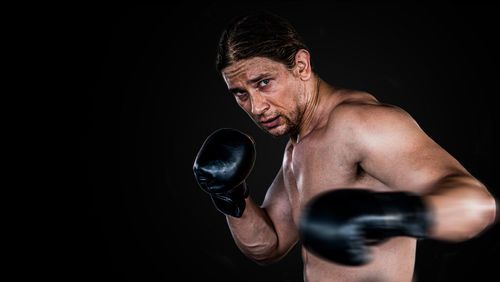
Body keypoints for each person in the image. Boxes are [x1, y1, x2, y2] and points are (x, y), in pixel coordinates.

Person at [193, 12, 497, 282]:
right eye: (240, 94)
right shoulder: (297, 147)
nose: (256, 107)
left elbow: (478, 205)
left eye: (263, 83)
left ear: (301, 65)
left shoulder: (357, 123)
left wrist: (385, 216)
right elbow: (269, 246)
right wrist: (230, 195)